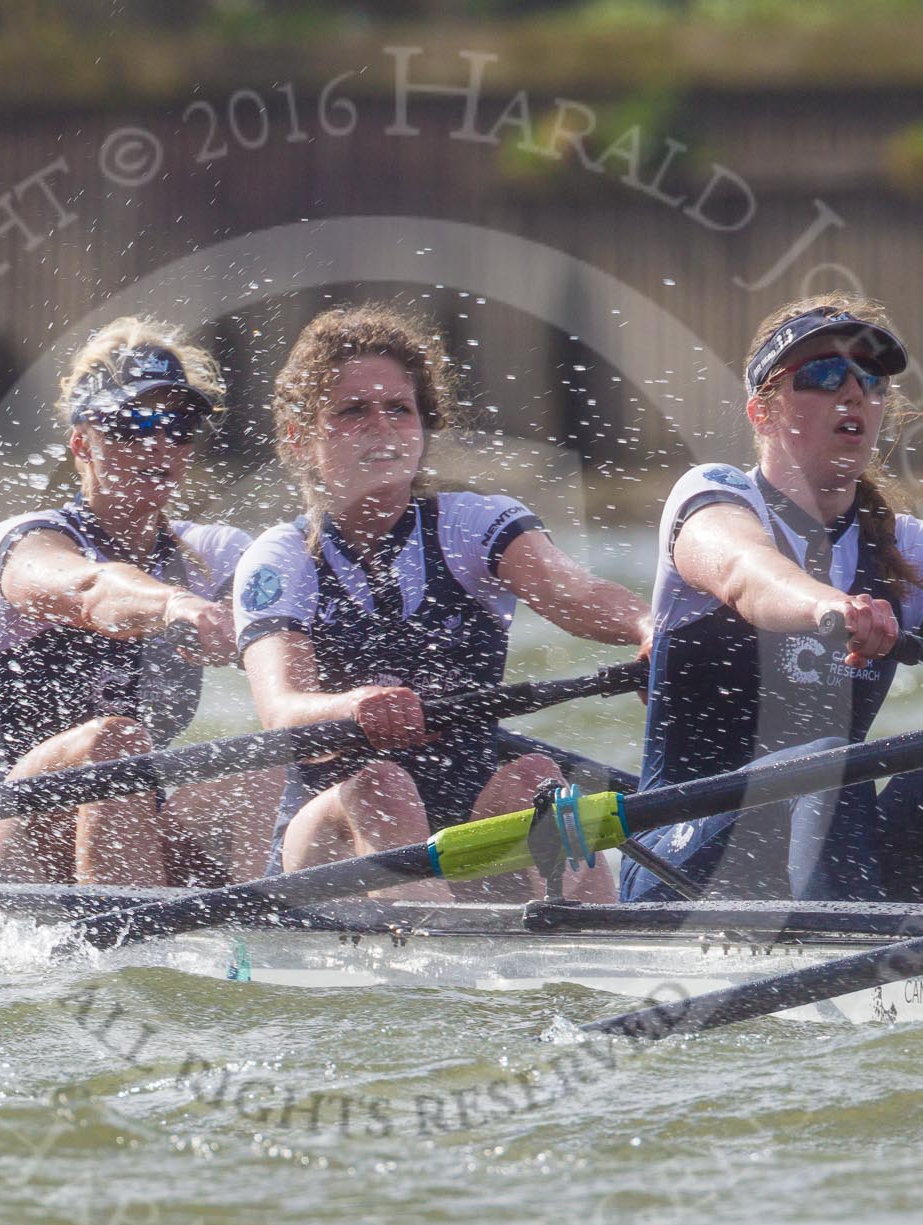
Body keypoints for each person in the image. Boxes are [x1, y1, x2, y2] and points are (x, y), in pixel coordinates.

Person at [232, 303, 652, 902]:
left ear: (423, 431)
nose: (382, 425)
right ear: (301, 439)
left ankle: (606, 961)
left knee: (539, 782)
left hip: (467, 825)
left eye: (399, 409)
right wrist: (357, 707)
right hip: (331, 838)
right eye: (353, 411)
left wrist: (647, 627)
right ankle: (430, 977)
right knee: (384, 785)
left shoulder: (472, 525)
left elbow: (575, 593)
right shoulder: (283, 556)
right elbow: (281, 708)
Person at [620, 294, 923, 906]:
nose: (853, 395)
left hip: (828, 845)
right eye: (820, 375)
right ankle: (852, 957)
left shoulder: (911, 549)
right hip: (677, 856)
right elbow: (745, 572)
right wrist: (827, 608)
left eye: (871, 380)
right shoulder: (711, 496)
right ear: (760, 410)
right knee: (829, 761)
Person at [0, 318, 280, 886]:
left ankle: (242, 953)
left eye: (178, 426)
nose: (159, 442)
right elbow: (92, 591)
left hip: (133, 815)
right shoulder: (27, 540)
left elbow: (295, 625)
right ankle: (127, 969)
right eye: (133, 422)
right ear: (81, 443)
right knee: (115, 739)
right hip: (1, 830)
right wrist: (174, 607)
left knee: (264, 763)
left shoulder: (216, 553)